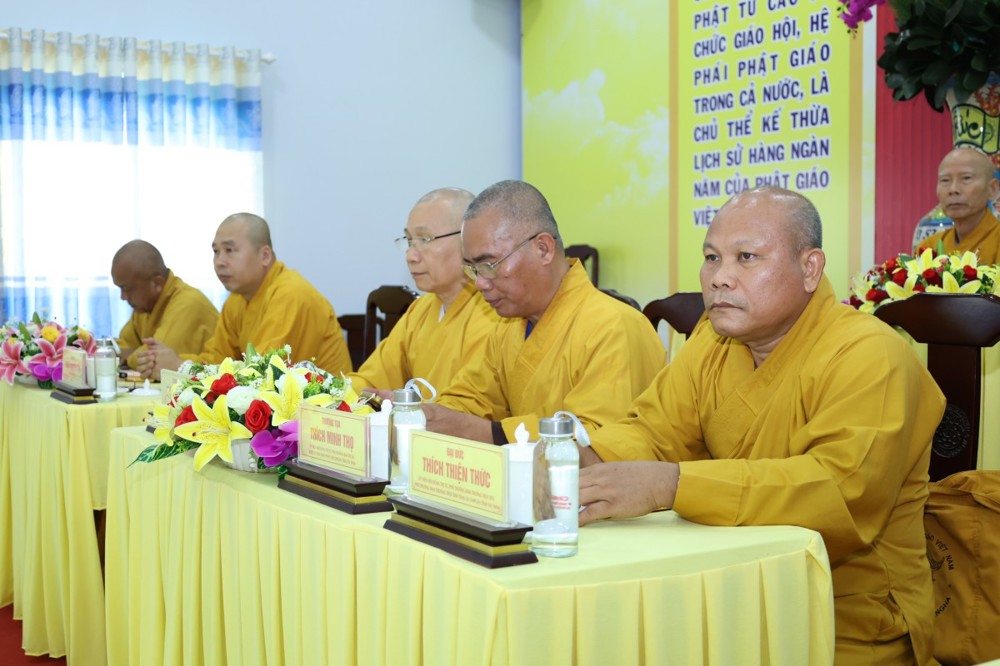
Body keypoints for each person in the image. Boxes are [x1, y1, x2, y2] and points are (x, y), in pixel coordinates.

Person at [578, 187, 944, 664]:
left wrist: (673, 485)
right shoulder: (712, 341)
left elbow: (837, 491)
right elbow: (653, 430)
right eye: (712, 258)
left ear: (810, 268)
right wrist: (582, 459)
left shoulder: (870, 354)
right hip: (725, 591)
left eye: (746, 257)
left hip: (843, 614)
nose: (719, 278)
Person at [423, 180, 666, 443]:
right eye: (472, 269)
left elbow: (596, 441)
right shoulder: (507, 328)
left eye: (489, 265)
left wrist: (492, 433)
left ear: (543, 249)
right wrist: (427, 416)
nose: (480, 283)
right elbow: (471, 400)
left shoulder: (614, 327)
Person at [136, 213, 352, 378]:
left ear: (264, 256)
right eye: (216, 251)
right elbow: (217, 359)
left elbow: (259, 374)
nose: (219, 262)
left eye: (229, 250)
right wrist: (165, 361)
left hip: (325, 415)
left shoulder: (291, 294)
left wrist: (182, 368)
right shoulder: (236, 301)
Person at [347, 188, 500, 393]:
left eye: (425, 239)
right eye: (409, 240)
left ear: (469, 240)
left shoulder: (495, 314)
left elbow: (471, 402)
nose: (411, 256)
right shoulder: (420, 310)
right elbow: (371, 380)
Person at [111, 240, 219, 370]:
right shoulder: (146, 307)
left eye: (128, 289)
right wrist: (131, 354)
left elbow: (155, 360)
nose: (123, 297)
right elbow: (120, 347)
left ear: (157, 283)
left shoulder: (188, 303)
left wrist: (130, 357)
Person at [920, 146, 1000, 261]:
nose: (953, 189)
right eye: (945, 180)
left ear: (992, 189)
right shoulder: (929, 249)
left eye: (966, 178)